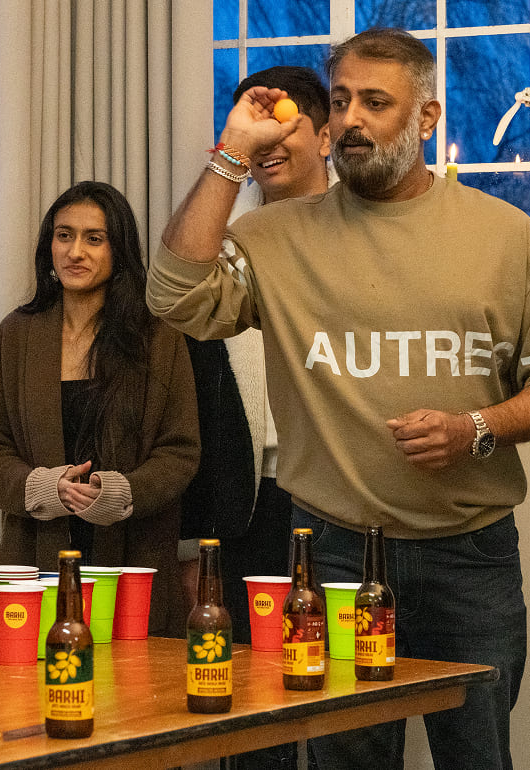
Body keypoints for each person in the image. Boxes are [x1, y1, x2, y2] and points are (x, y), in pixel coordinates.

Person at [146, 26, 530, 770]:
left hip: (471, 559)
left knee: (477, 755)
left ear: (425, 119)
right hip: (330, 553)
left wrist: (477, 429)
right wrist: (233, 153)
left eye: (376, 102)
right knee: (342, 760)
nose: (351, 118)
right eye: (341, 100)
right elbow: (172, 294)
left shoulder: (509, 240)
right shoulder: (275, 235)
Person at [178, 65, 334, 770]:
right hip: (245, 512)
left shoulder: (368, 238)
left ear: (327, 134)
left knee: (345, 709)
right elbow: (196, 412)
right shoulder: (220, 243)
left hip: (338, 502)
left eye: (287, 123)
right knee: (248, 723)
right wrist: (195, 546)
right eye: (254, 125)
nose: (269, 141)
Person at [0, 181, 200, 639]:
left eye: (94, 238)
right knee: (30, 695)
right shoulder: (15, 335)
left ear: (119, 251)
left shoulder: (158, 337)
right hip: (34, 558)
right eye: (64, 235)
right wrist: (41, 487)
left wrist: (121, 493)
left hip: (136, 559)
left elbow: (181, 451)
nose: (76, 251)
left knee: (135, 698)